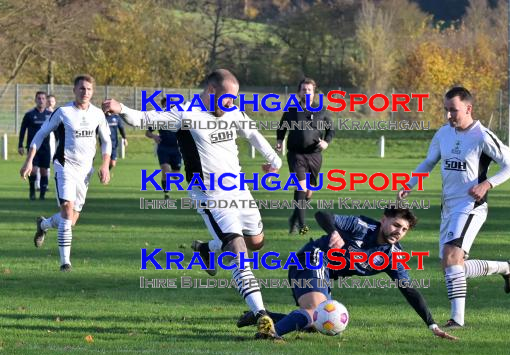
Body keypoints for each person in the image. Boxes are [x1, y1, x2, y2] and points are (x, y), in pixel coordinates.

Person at [102, 69, 283, 339]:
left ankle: (206, 249)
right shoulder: (185, 114)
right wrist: (121, 109)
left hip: (239, 191)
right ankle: (261, 316)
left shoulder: (231, 111)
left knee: (257, 242)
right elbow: (145, 118)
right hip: (210, 195)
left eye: (234, 99)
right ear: (211, 92)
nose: (231, 103)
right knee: (239, 249)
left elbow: (252, 132)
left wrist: (275, 160)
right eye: (227, 98)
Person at [398, 86, 510, 329]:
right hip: (448, 207)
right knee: (452, 265)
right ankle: (507, 267)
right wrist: (409, 184)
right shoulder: (444, 133)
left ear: (468, 108)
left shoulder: (482, 136)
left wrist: (487, 184)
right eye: (446, 110)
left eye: (453, 110)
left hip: (471, 206)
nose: (448, 116)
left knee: (451, 257)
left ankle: (457, 320)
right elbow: (429, 161)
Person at [237, 208, 457, 341]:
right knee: (315, 312)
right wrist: (333, 231)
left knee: (318, 322)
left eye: (404, 230)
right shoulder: (362, 226)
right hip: (311, 259)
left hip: (324, 274)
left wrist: (432, 324)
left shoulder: (392, 255)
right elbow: (322, 215)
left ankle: (261, 315)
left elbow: (409, 290)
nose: (399, 232)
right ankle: (270, 334)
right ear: (383, 220)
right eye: (396, 225)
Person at [20, 75, 111, 272]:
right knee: (67, 210)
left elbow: (106, 141)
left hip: (85, 171)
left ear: (92, 92)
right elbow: (40, 134)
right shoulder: (63, 112)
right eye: (81, 88)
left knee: (70, 220)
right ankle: (65, 263)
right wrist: (29, 161)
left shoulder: (97, 114)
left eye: (88, 89)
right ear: (74, 90)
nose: (85, 92)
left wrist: (105, 165)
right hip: (64, 166)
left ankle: (43, 225)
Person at [276, 78, 334, 235]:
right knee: (300, 187)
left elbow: (331, 130)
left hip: (315, 155)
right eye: (303, 89)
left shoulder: (321, 110)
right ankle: (302, 226)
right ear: (299, 92)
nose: (306, 92)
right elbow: (281, 128)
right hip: (296, 155)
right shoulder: (291, 110)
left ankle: (294, 218)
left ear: (314, 92)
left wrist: (326, 143)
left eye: (309, 90)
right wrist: (280, 141)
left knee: (308, 192)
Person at [144, 97, 182, 199]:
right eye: (166, 105)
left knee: (176, 175)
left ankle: (168, 179)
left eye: (170, 105)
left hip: (177, 150)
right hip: (163, 148)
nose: (168, 107)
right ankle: (166, 193)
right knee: (165, 169)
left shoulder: (180, 118)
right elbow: (148, 132)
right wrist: (154, 136)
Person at [18, 91, 52, 200]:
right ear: (35, 100)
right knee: (33, 170)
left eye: (43, 98)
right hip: (33, 148)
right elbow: (23, 130)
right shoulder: (29, 115)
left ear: (46, 100)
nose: (41, 100)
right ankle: (32, 192)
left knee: (44, 171)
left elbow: (57, 131)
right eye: (39, 98)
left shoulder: (50, 115)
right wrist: (20, 145)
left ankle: (42, 195)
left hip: (46, 148)